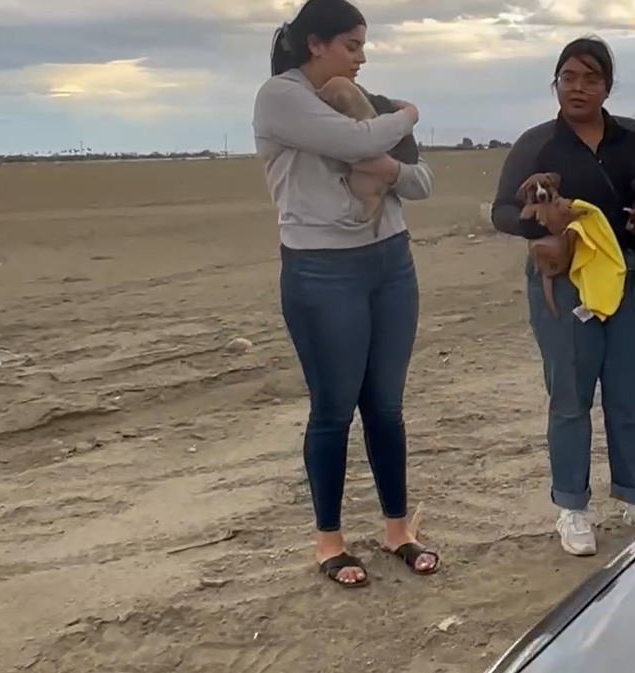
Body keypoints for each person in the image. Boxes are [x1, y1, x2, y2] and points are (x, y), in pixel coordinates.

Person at [252, 0, 439, 587]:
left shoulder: (370, 103)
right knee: (333, 408)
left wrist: (390, 168)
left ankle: (397, 530)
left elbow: (421, 180)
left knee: (385, 405)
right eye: (352, 45)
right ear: (316, 44)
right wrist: (409, 114)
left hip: (391, 262)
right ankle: (329, 542)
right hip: (322, 270)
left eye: (363, 46)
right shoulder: (281, 97)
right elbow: (359, 142)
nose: (362, 57)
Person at [490, 36, 635, 556]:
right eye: (568, 77)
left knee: (630, 397)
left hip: (632, 280)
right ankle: (573, 508)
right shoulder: (537, 144)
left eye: (591, 78)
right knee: (570, 398)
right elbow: (502, 210)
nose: (578, 88)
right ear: (555, 83)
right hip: (565, 282)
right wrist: (544, 225)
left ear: (608, 86)